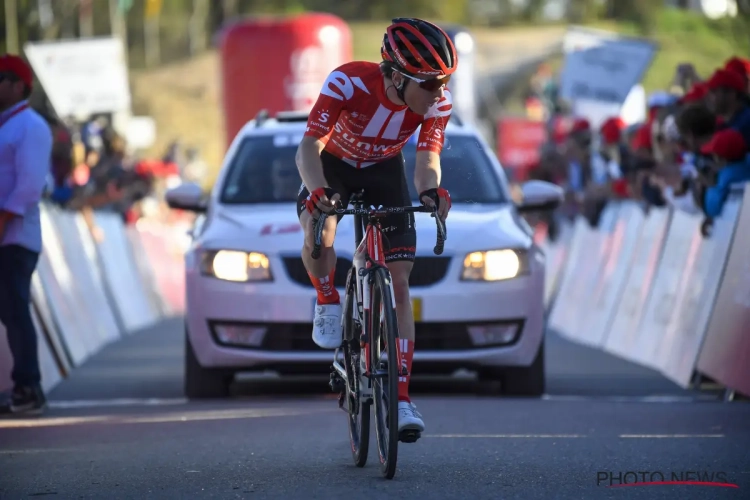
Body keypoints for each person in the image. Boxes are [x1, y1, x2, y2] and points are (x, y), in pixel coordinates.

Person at [295, 18, 457, 438]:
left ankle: (401, 399)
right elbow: (308, 147)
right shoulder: (349, 82)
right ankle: (328, 296)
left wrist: (431, 192)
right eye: (430, 83)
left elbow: (426, 161)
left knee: (400, 281)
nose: (439, 92)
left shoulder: (437, 104)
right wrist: (318, 192)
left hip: (385, 171)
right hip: (334, 166)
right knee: (322, 228)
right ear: (399, 77)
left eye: (443, 82)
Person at [0, 54, 53, 415]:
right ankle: (23, 385)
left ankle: (28, 387)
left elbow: (31, 184)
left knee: (15, 310)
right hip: (7, 236)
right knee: (10, 310)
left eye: (2, 78)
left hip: (15, 238)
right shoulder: (7, 126)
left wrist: (3, 219)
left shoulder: (30, 126)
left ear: (20, 85)